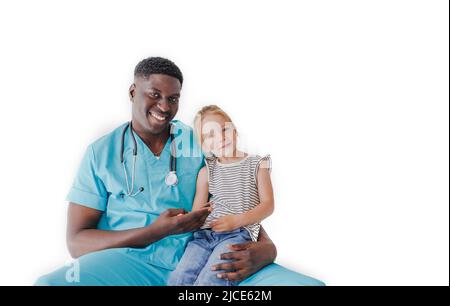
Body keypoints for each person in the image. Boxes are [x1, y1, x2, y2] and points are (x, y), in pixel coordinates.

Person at [35, 57, 324, 286]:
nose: (164, 106)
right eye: (154, 94)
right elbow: (76, 242)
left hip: (206, 252)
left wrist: (267, 249)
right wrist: (152, 232)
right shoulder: (101, 153)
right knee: (49, 284)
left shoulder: (196, 140)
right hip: (128, 263)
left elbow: (234, 192)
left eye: (173, 98)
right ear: (133, 91)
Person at [168, 105, 274, 286]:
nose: (221, 137)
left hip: (238, 234)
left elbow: (268, 205)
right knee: (179, 278)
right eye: (210, 135)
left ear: (235, 130)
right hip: (204, 236)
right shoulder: (206, 171)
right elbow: (197, 212)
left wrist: (237, 221)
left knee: (210, 280)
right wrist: (186, 219)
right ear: (204, 145)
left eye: (224, 129)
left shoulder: (257, 164)